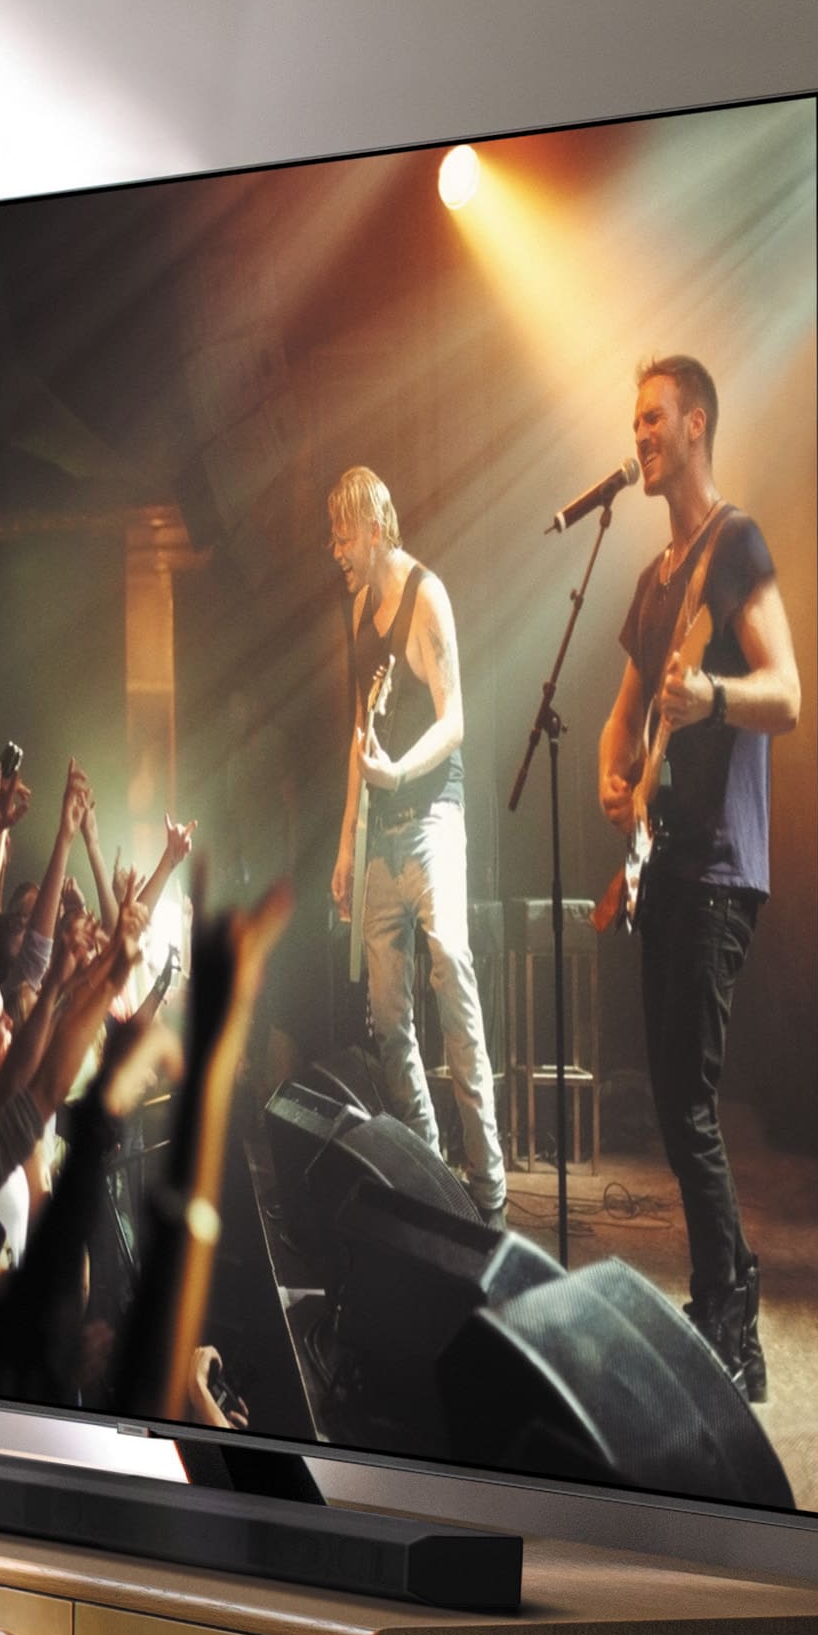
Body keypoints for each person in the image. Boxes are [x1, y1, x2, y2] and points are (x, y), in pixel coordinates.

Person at [592, 353, 804, 1398]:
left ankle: (738, 1323)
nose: (638, 437)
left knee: (694, 1105)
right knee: (675, 1100)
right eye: (634, 422)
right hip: (664, 860)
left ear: (696, 427)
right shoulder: (651, 578)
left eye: (651, 420)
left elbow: (788, 691)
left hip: (723, 857)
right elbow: (621, 717)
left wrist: (710, 697)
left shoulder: (735, 543)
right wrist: (612, 777)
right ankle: (719, 1298)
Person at [321, 468, 507, 1218]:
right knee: (386, 1013)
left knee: (452, 975)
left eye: (342, 537)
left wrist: (399, 773)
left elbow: (456, 718)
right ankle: (432, 1174)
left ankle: (488, 1181)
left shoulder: (426, 594)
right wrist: (343, 845)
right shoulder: (356, 606)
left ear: (373, 528)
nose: (335, 552)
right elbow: (356, 735)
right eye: (332, 540)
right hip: (377, 834)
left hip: (432, 821)